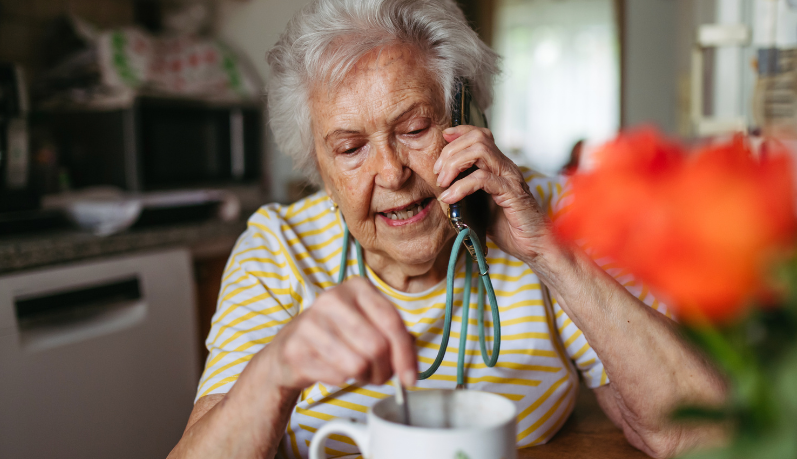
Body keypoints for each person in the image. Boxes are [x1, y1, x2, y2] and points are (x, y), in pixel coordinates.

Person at [169, 1, 726, 458]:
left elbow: (703, 435)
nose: (392, 173)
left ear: (468, 119)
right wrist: (277, 368)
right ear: (319, 168)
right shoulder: (277, 249)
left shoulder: (549, 210)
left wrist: (551, 255)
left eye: (415, 128)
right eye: (351, 148)